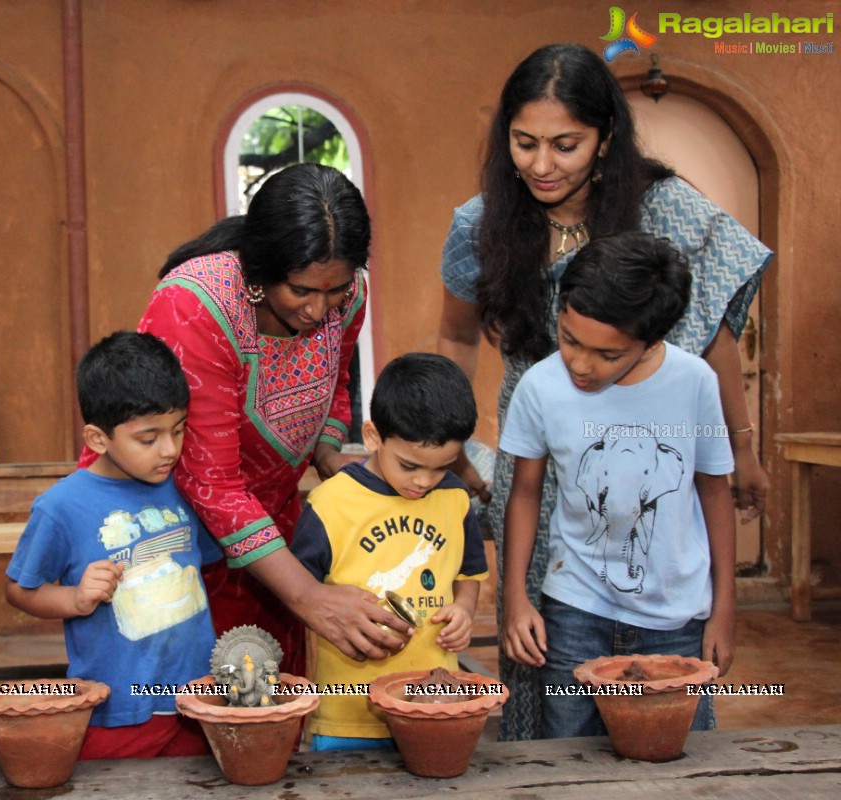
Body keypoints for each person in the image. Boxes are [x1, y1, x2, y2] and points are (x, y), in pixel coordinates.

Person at [436, 43, 772, 740]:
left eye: (565, 144)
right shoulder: (482, 223)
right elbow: (458, 338)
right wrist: (454, 445)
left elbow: (715, 338)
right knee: (546, 641)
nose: (540, 164)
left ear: (605, 138)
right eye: (524, 143)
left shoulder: (663, 207)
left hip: (650, 439)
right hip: (540, 442)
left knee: (655, 630)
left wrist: (744, 451)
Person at [126, 162, 410, 679]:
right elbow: (211, 482)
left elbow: (336, 381)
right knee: (184, 698)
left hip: (270, 526)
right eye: (302, 291)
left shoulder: (348, 294)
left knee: (266, 689)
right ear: (259, 270)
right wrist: (308, 596)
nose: (320, 311)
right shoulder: (196, 308)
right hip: (168, 529)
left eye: (336, 290)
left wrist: (326, 453)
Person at [498, 232, 735, 738]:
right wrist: (515, 596)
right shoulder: (540, 387)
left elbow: (715, 491)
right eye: (569, 340)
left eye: (607, 355)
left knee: (673, 753)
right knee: (569, 751)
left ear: (652, 340)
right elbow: (524, 492)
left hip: (677, 616)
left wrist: (725, 608)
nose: (581, 365)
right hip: (576, 608)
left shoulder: (694, 383)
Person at [7, 331, 218, 759]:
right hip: (118, 710)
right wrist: (75, 598)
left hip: (196, 704)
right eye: (148, 438)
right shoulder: (61, 507)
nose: (170, 449)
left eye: (178, 430)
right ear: (98, 439)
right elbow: (19, 590)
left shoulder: (187, 488)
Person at [290, 353, 489, 751]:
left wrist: (465, 609)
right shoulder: (331, 504)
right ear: (373, 436)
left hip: (435, 706)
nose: (424, 481)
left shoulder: (454, 497)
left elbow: (469, 574)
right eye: (410, 465)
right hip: (349, 717)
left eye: (441, 467)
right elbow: (299, 594)